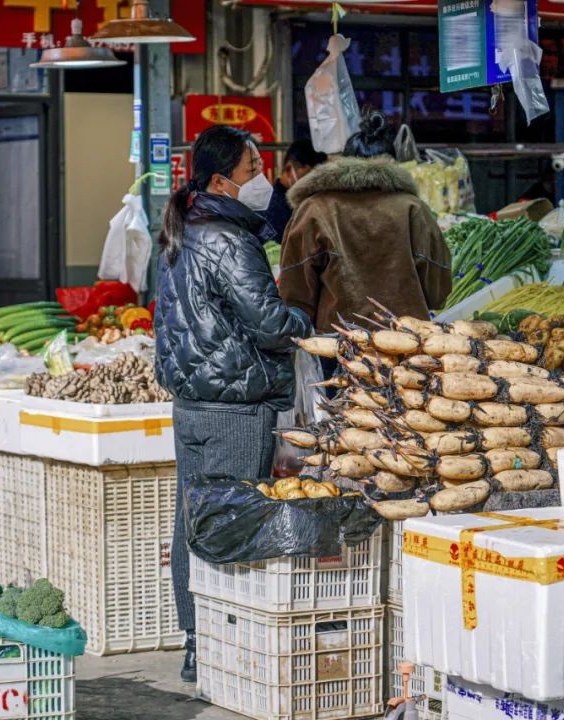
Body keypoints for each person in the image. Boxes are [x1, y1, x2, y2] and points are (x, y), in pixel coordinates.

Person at [154, 125, 313, 683]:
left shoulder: (181, 228)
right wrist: (307, 322)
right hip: (236, 406)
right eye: (252, 170)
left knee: (194, 520)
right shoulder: (226, 237)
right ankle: (224, 645)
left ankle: (197, 643)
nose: (262, 180)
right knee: (234, 523)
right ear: (222, 181)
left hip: (192, 403)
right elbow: (268, 322)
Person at [278, 111, 452, 337]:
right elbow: (438, 291)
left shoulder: (314, 209)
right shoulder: (413, 208)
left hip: (339, 342)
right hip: (406, 339)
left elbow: (295, 293)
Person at [263, 139, 327, 240]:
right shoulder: (269, 206)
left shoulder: (308, 204)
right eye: (308, 177)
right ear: (289, 169)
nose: (313, 184)